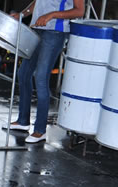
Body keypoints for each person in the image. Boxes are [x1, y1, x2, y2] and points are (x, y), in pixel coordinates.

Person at [5, 0, 85, 144]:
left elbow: (79, 11)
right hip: (37, 28)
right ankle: (23, 120)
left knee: (41, 77)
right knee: (23, 74)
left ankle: (40, 130)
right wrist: (22, 15)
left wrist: (52, 15)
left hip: (55, 32)